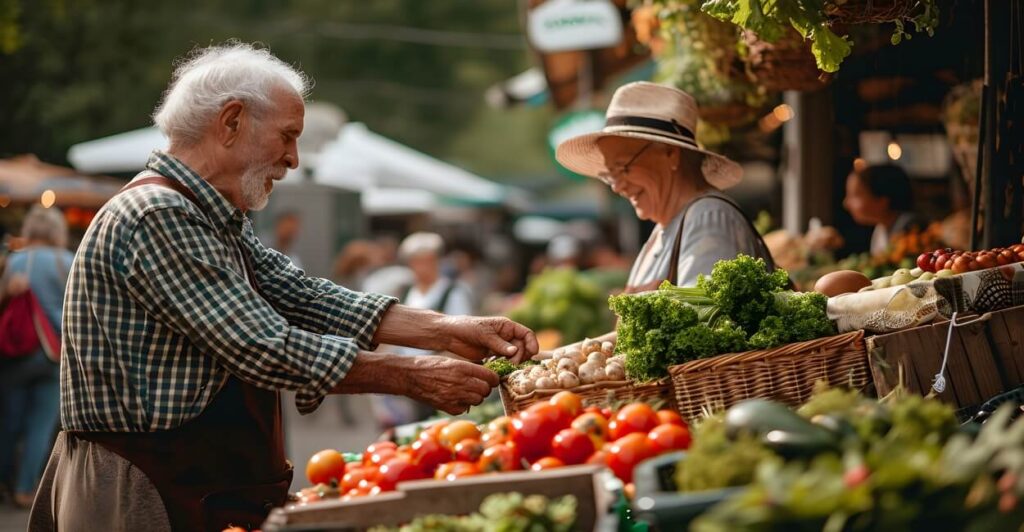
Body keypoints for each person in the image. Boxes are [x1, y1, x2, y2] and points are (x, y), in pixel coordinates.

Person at [28, 42, 536, 532]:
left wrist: (447, 330)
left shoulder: (212, 213)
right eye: (287, 136)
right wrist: (412, 375)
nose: (293, 159)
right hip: (141, 488)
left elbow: (301, 295)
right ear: (231, 122)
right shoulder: (159, 214)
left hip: (192, 480)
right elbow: (262, 344)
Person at [552, 81, 777, 346]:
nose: (618, 187)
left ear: (670, 153)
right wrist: (562, 355)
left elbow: (701, 325)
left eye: (623, 168)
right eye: (609, 175)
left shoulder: (708, 216)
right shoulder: (661, 231)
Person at [0, 206, 73, 509]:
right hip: (55, 354)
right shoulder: (67, 261)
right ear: (58, 231)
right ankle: (24, 488)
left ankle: (3, 480)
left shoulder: (16, 261)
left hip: (16, 352)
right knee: (41, 426)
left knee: (9, 421)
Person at [842, 164, 927, 256]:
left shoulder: (914, 230)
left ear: (882, 199)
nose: (846, 203)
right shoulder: (881, 229)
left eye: (855, 195)